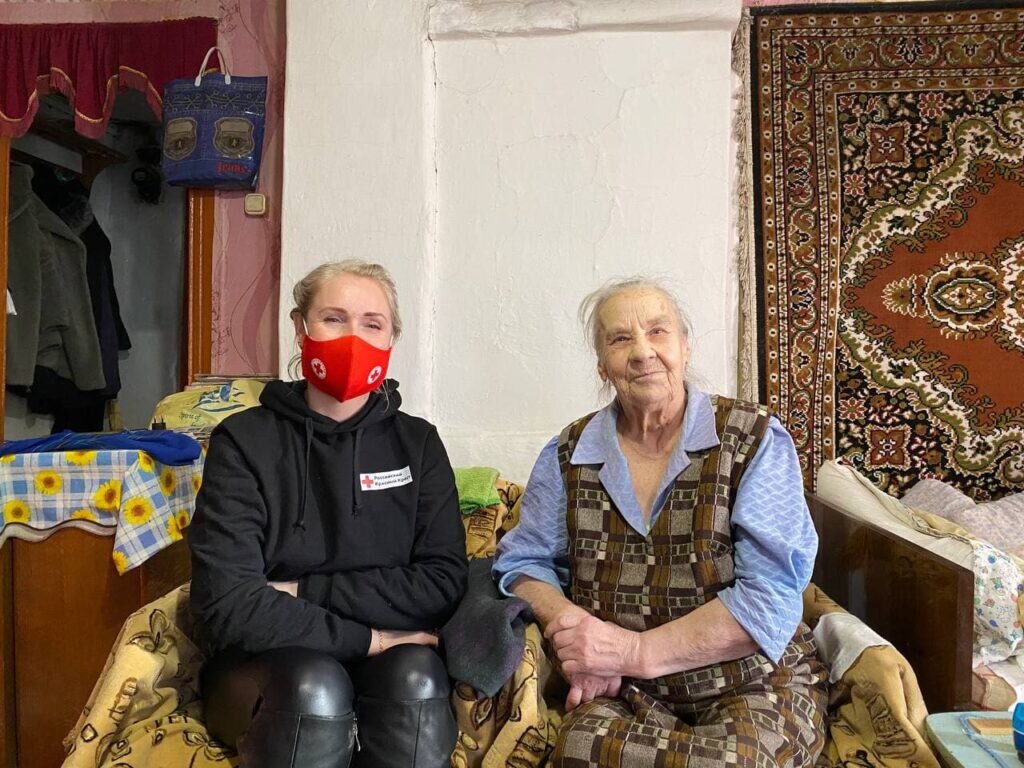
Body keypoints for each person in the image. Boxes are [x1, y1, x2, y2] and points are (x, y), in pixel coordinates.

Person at [493, 277, 828, 767]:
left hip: (752, 677)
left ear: (685, 347)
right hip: (624, 689)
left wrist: (631, 651)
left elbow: (770, 598)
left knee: (735, 761)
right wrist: (577, 630)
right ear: (602, 366)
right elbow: (524, 562)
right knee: (581, 750)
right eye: (620, 339)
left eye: (658, 331)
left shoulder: (753, 439)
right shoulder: (568, 452)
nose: (642, 352)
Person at [189, 260, 467, 768]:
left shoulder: (418, 443)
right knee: (314, 688)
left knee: (417, 681)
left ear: (391, 340)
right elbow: (227, 602)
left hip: (390, 660)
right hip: (267, 665)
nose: (353, 338)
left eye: (372, 324)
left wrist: (303, 590)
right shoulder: (243, 442)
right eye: (334, 319)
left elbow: (442, 582)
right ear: (300, 328)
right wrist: (368, 638)